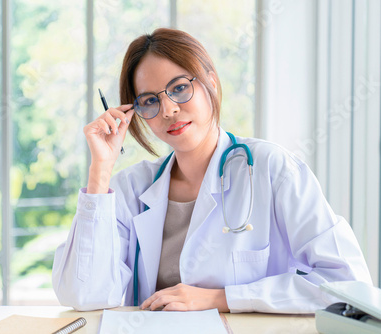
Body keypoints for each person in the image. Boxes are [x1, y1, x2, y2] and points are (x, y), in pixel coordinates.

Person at [52, 28, 372, 313]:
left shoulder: (272, 169)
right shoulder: (129, 188)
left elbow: (347, 286)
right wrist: (100, 171)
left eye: (179, 88)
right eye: (149, 101)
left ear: (211, 82)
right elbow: (83, 296)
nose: (169, 110)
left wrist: (221, 298)